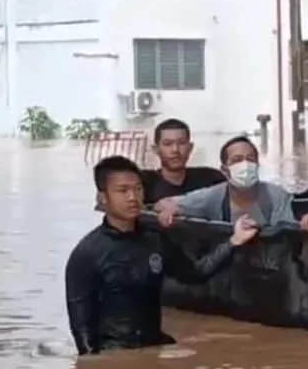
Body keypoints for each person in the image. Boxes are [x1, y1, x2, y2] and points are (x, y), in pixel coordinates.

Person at [65, 156, 259, 356]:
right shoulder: (86, 254)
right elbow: (81, 329)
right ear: (102, 198)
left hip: (155, 346)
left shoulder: (155, 240)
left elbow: (196, 273)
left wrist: (233, 241)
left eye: (138, 189)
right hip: (115, 352)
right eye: (122, 191)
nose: (133, 197)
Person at [154, 135, 295, 226]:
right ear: (224, 170)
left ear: (258, 165)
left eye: (250, 159)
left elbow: (287, 237)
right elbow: (162, 205)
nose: (245, 164)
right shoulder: (214, 196)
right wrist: (172, 210)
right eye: (237, 160)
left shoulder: (276, 196)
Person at [141, 118, 226, 204]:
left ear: (190, 148)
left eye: (181, 143)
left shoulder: (211, 179)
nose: (175, 150)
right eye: (168, 144)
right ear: (156, 149)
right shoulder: (146, 183)